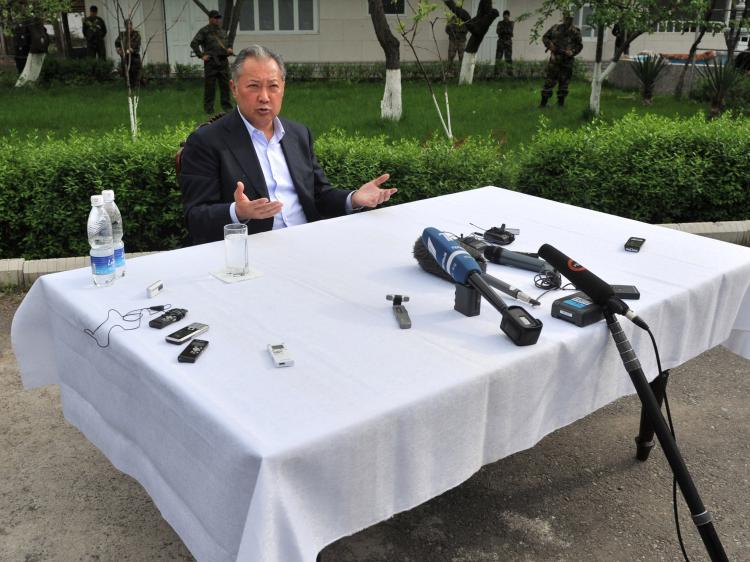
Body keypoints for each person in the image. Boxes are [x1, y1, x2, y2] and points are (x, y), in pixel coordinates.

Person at [179, 45, 397, 245]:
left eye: (273, 86)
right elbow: (195, 217)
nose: (264, 97)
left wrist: (353, 198)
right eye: (253, 86)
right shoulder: (206, 142)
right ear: (234, 88)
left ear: (283, 87)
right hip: (253, 249)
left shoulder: (298, 134)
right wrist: (239, 212)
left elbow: (319, 194)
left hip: (307, 242)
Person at [191, 10, 233, 115]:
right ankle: (209, 109)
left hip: (223, 61)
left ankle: (227, 108)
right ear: (210, 19)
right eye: (215, 17)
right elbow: (194, 43)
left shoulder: (222, 31)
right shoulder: (204, 31)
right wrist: (201, 55)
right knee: (210, 87)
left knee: (225, 86)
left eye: (219, 17)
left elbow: (228, 43)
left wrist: (229, 49)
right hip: (211, 62)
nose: (217, 19)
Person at [540, 12, 583, 108]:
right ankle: (543, 104)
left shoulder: (576, 31)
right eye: (566, 18)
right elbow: (545, 37)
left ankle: (560, 104)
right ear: (563, 18)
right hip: (555, 60)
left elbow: (579, 46)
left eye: (570, 18)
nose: (568, 20)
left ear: (572, 19)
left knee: (564, 83)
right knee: (549, 81)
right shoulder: (555, 28)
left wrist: (572, 52)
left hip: (567, 61)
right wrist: (550, 45)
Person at [115, 19, 142, 87]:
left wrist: (129, 50)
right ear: (125, 26)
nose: (129, 27)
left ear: (132, 25)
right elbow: (117, 43)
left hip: (134, 56)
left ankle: (137, 86)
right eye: (127, 26)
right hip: (125, 57)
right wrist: (118, 49)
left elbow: (136, 45)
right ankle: (128, 86)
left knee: (135, 72)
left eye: (130, 25)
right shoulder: (122, 34)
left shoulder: (136, 34)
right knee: (126, 72)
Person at [495, 10, 514, 76]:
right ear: (503, 16)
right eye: (504, 15)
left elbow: (510, 31)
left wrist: (503, 30)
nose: (505, 16)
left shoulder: (511, 23)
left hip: (508, 42)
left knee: (508, 58)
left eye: (507, 15)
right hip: (501, 42)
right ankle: (496, 73)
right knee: (498, 58)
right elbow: (498, 31)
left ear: (509, 16)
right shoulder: (500, 23)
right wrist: (505, 31)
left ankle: (509, 73)